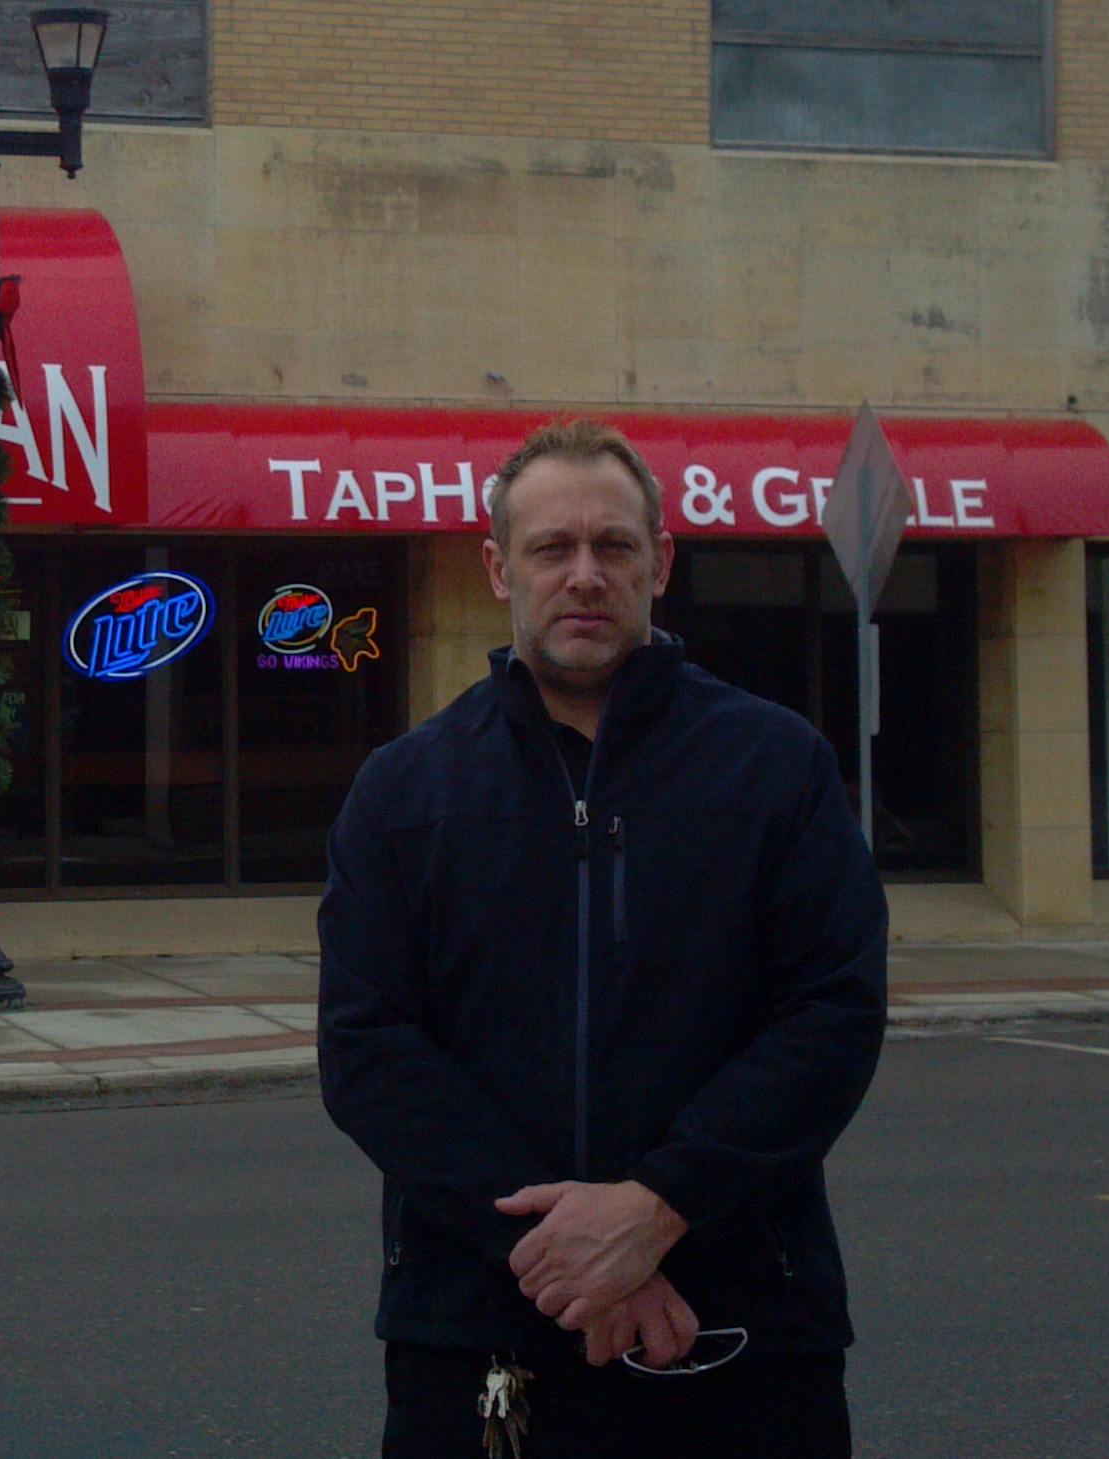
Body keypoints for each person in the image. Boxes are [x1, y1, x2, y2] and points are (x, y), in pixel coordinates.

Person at [318, 419, 888, 1457]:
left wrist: (662, 1207)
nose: (585, 575)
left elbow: (832, 1015)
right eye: (551, 548)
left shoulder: (777, 770)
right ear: (499, 568)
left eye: (615, 546)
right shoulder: (405, 793)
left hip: (742, 1343)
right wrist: (568, 1254)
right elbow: (368, 1050)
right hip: (482, 1353)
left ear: (660, 562)